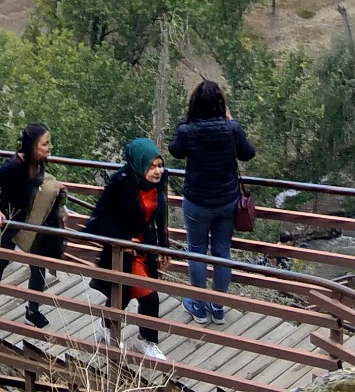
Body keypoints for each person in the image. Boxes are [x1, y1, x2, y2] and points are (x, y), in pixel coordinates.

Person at [169, 79, 255, 324]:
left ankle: (198, 305)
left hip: (197, 201)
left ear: (195, 104)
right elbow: (248, 153)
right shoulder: (231, 128)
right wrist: (231, 121)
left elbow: (175, 150)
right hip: (227, 200)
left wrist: (184, 122)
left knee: (196, 251)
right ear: (220, 104)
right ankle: (218, 307)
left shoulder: (187, 130)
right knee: (221, 252)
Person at [85, 137, 171, 362]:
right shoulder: (120, 183)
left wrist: (164, 247)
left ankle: (110, 330)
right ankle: (146, 340)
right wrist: (123, 239)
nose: (157, 171)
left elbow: (161, 214)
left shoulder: (160, 182)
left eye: (159, 165)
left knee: (121, 295)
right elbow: (96, 220)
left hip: (145, 247)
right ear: (139, 164)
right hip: (122, 249)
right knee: (149, 296)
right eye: (151, 166)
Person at [0, 122, 65, 330]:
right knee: (2, 260)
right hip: (9, 219)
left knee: (38, 265)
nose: (49, 148)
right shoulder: (14, 164)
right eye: (45, 144)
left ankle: (33, 310)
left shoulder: (39, 163)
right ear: (32, 146)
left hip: (31, 221)